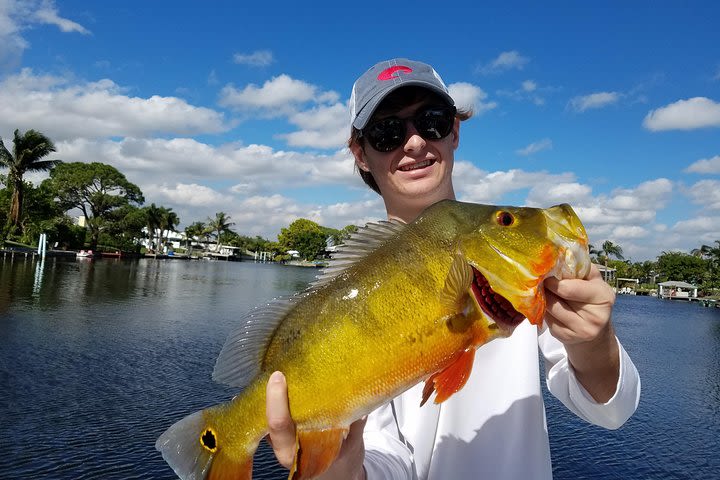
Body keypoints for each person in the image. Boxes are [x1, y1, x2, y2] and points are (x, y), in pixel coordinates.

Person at [265, 58, 641, 479]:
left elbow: (612, 410)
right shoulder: (358, 288)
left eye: (431, 121)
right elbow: (387, 463)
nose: (413, 143)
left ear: (455, 131)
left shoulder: (508, 257)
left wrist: (593, 342)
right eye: (387, 132)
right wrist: (341, 468)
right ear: (361, 154)